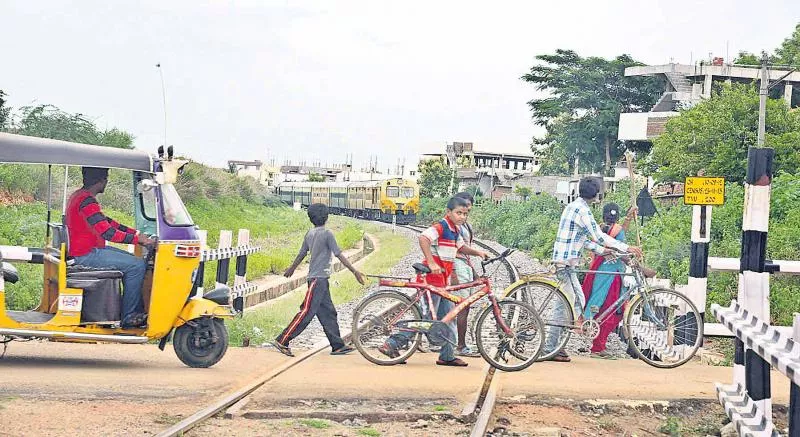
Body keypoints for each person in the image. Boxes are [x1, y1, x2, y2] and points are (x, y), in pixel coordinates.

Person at [379, 196, 488, 367]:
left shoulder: (455, 230)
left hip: (443, 282)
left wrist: (478, 253)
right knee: (426, 319)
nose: (462, 217)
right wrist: (431, 262)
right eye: (459, 213)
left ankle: (447, 355)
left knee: (448, 316)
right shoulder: (442, 226)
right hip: (432, 279)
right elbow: (423, 238)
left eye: (465, 214)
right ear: (448, 212)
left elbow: (461, 247)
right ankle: (391, 343)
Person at [547, 178, 643, 362]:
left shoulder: (573, 206)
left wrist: (604, 251)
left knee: (571, 302)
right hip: (565, 263)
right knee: (572, 303)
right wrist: (626, 248)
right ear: (596, 195)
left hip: (566, 262)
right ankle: (550, 347)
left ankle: (555, 346)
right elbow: (598, 236)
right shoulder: (583, 210)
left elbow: (585, 240)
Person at [271, 203, 366, 357]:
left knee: (329, 313)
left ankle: (337, 346)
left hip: (317, 279)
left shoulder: (309, 233)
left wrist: (292, 268)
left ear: (310, 219)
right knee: (306, 311)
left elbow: (302, 253)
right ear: (327, 217)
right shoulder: (327, 234)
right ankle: (283, 340)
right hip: (318, 280)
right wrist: (354, 271)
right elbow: (339, 254)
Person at [66, 167, 156, 329]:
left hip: (89, 250)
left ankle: (130, 310)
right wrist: (139, 240)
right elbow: (107, 232)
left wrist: (136, 233)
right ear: (100, 181)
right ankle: (128, 316)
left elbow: (109, 222)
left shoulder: (80, 197)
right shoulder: (87, 200)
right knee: (136, 266)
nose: (106, 182)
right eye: (105, 179)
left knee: (135, 261)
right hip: (85, 254)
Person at [451, 191, 480, 357]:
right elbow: (455, 250)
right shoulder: (454, 226)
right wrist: (454, 273)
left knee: (461, 307)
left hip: (464, 266)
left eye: (468, 206)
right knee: (462, 306)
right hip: (456, 266)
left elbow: (465, 252)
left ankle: (451, 342)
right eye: (462, 206)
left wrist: (474, 273)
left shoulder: (465, 225)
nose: (466, 210)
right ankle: (460, 345)